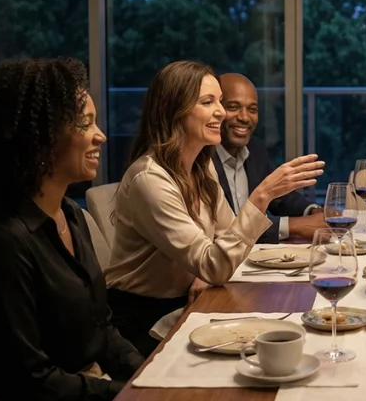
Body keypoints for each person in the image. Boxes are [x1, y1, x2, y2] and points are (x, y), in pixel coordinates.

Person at [0, 58, 143, 400]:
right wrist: (125, 394)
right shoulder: (1, 240)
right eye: (85, 124)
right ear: (39, 139)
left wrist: (145, 374)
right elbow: (27, 380)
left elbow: (103, 329)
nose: (101, 136)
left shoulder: (70, 213)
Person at [104, 61, 324, 356]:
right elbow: (216, 265)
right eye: (209, 102)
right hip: (142, 319)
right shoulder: (150, 179)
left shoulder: (200, 166)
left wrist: (204, 269)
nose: (221, 112)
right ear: (174, 110)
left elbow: (227, 240)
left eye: (219, 101)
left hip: (191, 300)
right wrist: (262, 196)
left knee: (289, 337)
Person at [213, 73, 325, 243]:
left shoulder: (254, 148)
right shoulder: (200, 160)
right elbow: (226, 228)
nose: (244, 117)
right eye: (233, 107)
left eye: (252, 110)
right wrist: (294, 225)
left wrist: (313, 211)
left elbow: (279, 198)